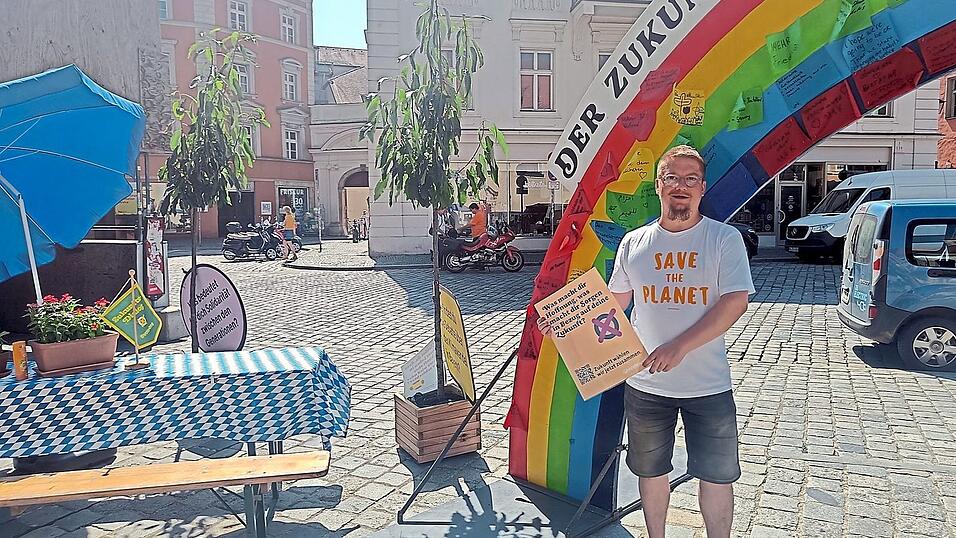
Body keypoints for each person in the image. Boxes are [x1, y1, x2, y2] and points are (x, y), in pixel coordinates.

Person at [538, 145, 754, 538]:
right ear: (658, 186)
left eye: (690, 179)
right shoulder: (634, 243)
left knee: (717, 476)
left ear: (702, 187)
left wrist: (679, 346)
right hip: (645, 385)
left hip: (708, 386)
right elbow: (614, 304)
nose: (680, 186)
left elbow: (735, 302)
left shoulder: (723, 238)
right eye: (671, 177)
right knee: (650, 472)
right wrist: (568, 324)